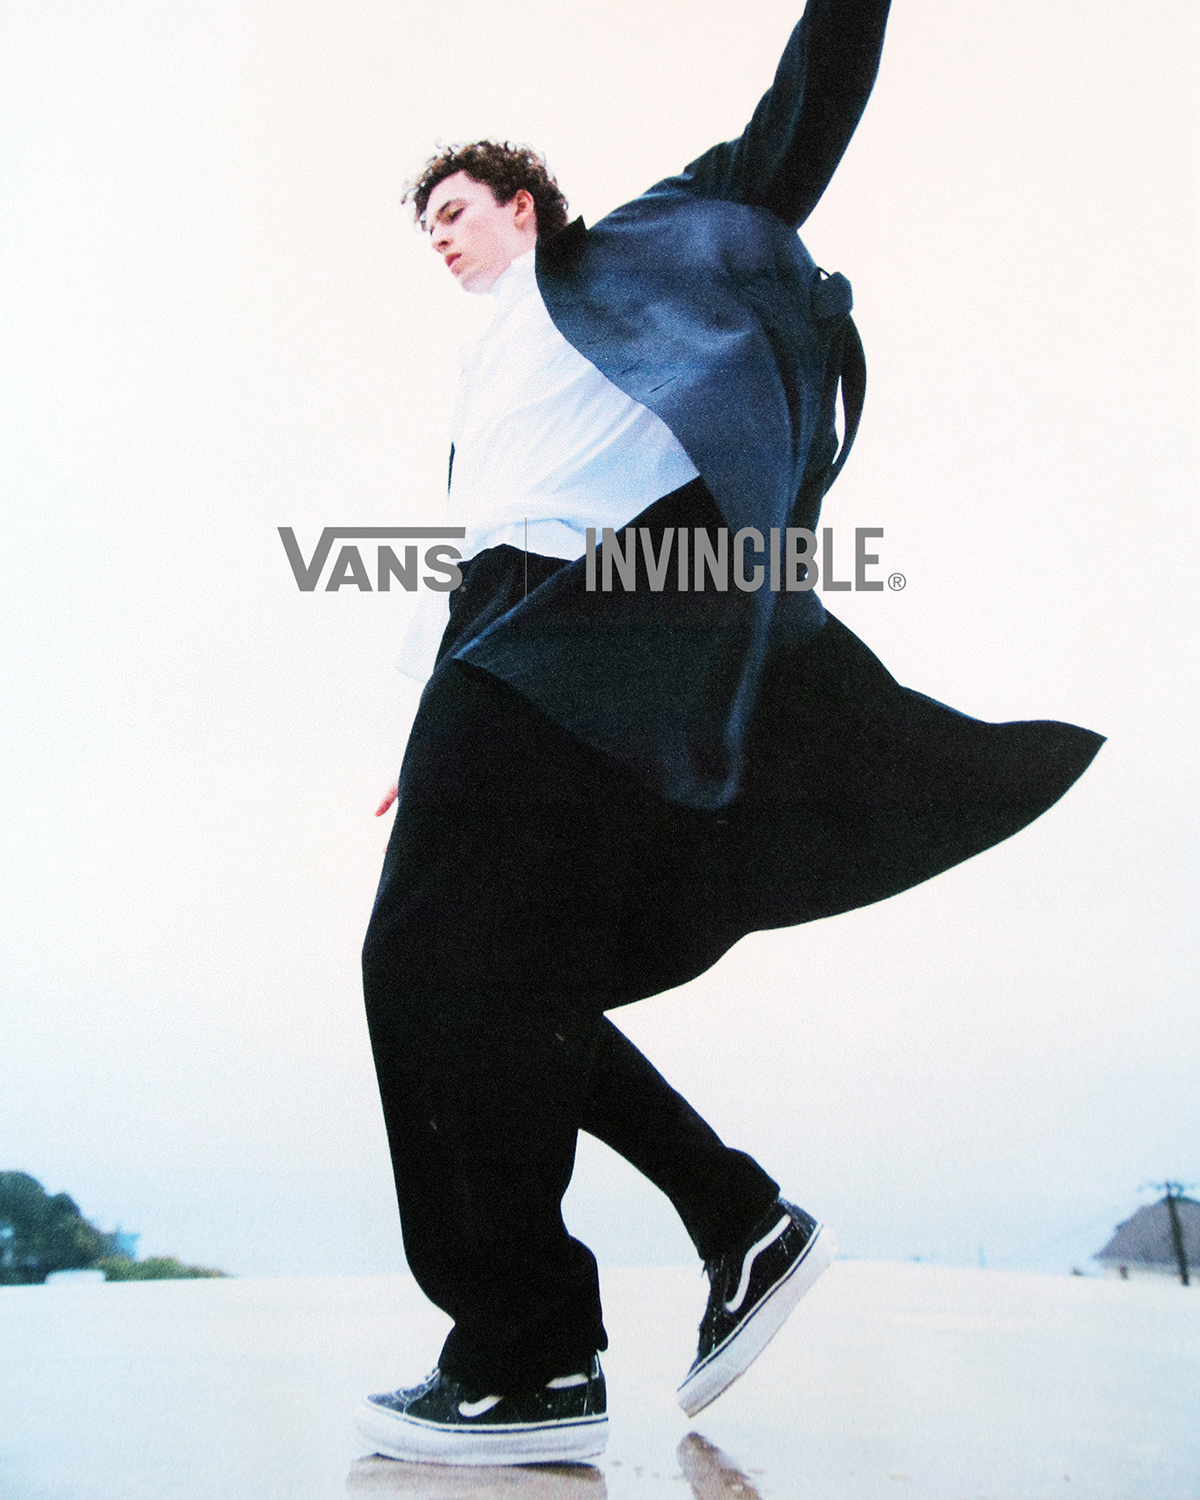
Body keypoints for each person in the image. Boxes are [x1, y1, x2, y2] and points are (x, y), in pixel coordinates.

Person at [355, 0, 1102, 1467]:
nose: (437, 237)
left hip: (588, 620)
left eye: (453, 210)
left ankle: (529, 1353)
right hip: (504, 643)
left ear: (522, 202)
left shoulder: (637, 248)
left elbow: (796, 117)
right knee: (502, 989)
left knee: (419, 967)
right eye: (422, 226)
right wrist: (418, 726)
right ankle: (733, 1223)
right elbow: (480, 542)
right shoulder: (480, 376)